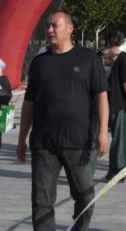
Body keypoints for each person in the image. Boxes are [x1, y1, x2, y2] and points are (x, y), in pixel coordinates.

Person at [17, 12, 109, 231]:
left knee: (86, 197)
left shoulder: (88, 58)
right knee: (41, 201)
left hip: (78, 141)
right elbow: (29, 102)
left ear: (70, 28)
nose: (49, 30)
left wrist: (103, 131)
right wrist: (22, 138)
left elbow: (101, 96)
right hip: (44, 143)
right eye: (47, 26)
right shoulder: (39, 63)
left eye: (54, 26)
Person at [99, 29, 126, 182]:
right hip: (117, 101)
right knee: (118, 138)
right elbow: (125, 81)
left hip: (98, 103)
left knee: (97, 136)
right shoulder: (122, 57)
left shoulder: (98, 56)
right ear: (120, 41)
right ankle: (119, 172)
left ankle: (94, 172)